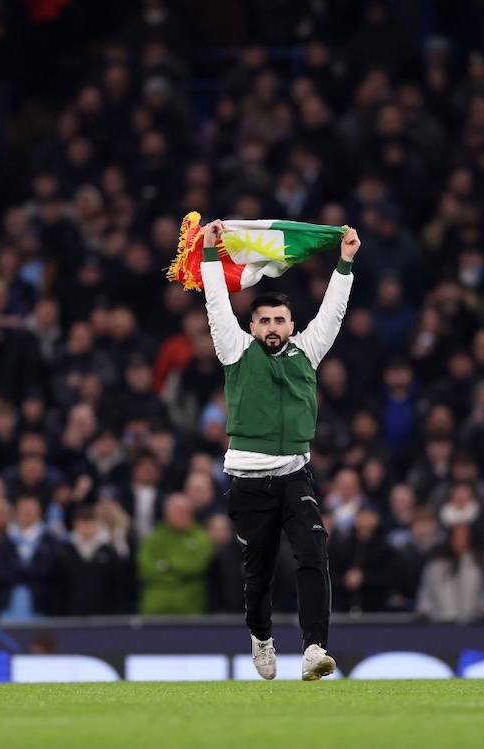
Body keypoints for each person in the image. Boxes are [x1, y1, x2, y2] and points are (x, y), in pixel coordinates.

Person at [201, 219, 361, 681]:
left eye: (279, 320)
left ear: (292, 324)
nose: (272, 327)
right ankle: (261, 637)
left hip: (294, 474)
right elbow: (216, 304)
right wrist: (210, 254)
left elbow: (333, 312)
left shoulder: (308, 351)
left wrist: (345, 262)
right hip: (247, 481)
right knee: (259, 574)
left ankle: (314, 649)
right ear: (252, 325)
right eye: (265, 321)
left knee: (313, 552)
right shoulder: (234, 350)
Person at [137, 494, 213, 615]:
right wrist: (180, 573)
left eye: (184, 511)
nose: (181, 515)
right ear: (166, 514)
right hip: (156, 603)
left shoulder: (201, 537)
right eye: (176, 511)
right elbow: (146, 569)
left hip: (190, 603)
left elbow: (198, 566)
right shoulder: (153, 538)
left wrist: (168, 566)